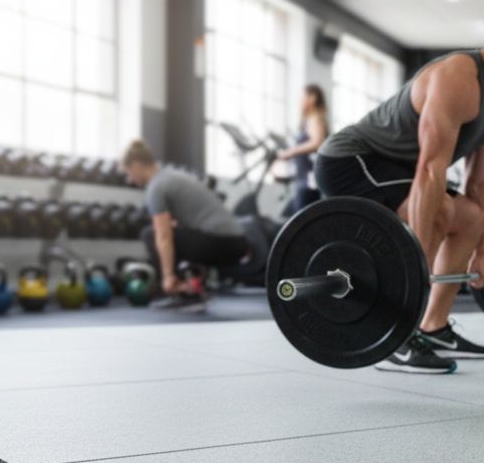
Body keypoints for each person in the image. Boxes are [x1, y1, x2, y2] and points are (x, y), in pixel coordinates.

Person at [316, 0, 484, 373]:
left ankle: (435, 326)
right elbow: (431, 171)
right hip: (350, 160)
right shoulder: (457, 77)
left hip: (400, 169)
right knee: (440, 210)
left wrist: (481, 252)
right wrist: (415, 262)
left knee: (471, 215)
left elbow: (479, 186)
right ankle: (396, 333)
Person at [121, 139, 248, 312]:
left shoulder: (156, 187)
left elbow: (163, 236)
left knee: (150, 234)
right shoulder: (171, 176)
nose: (130, 179)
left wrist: (167, 276)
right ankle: (192, 286)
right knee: (172, 234)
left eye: (128, 173)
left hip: (221, 241)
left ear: (137, 165)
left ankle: (180, 293)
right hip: (236, 242)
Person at [278, 85, 329, 217]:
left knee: (297, 222)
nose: (299, 101)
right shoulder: (309, 121)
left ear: (312, 98)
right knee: (287, 218)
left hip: (310, 184)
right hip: (303, 183)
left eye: (302, 97)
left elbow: (318, 142)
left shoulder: (316, 118)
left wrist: (292, 151)